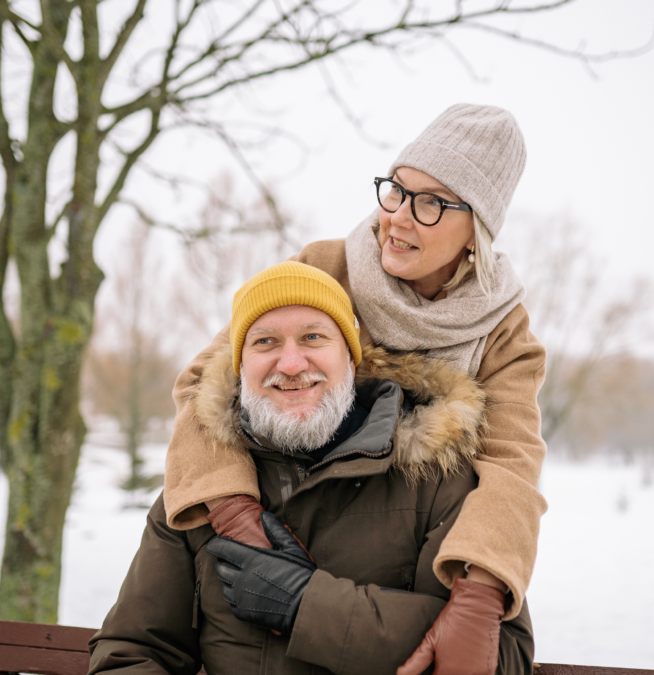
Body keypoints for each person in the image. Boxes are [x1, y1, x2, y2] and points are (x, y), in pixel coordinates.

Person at [163, 104, 548, 672]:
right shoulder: (327, 268)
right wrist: (233, 508)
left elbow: (512, 465)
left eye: (432, 203)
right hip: (295, 516)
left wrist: (480, 593)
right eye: (396, 189)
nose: (397, 217)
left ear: (478, 229)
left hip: (410, 546)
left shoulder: (502, 333)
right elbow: (207, 383)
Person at [88, 262, 534, 675]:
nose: (290, 364)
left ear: (352, 358)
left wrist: (306, 605)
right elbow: (130, 652)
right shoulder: (200, 489)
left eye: (313, 338)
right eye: (265, 342)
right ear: (240, 368)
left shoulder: (438, 480)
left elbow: (502, 657)